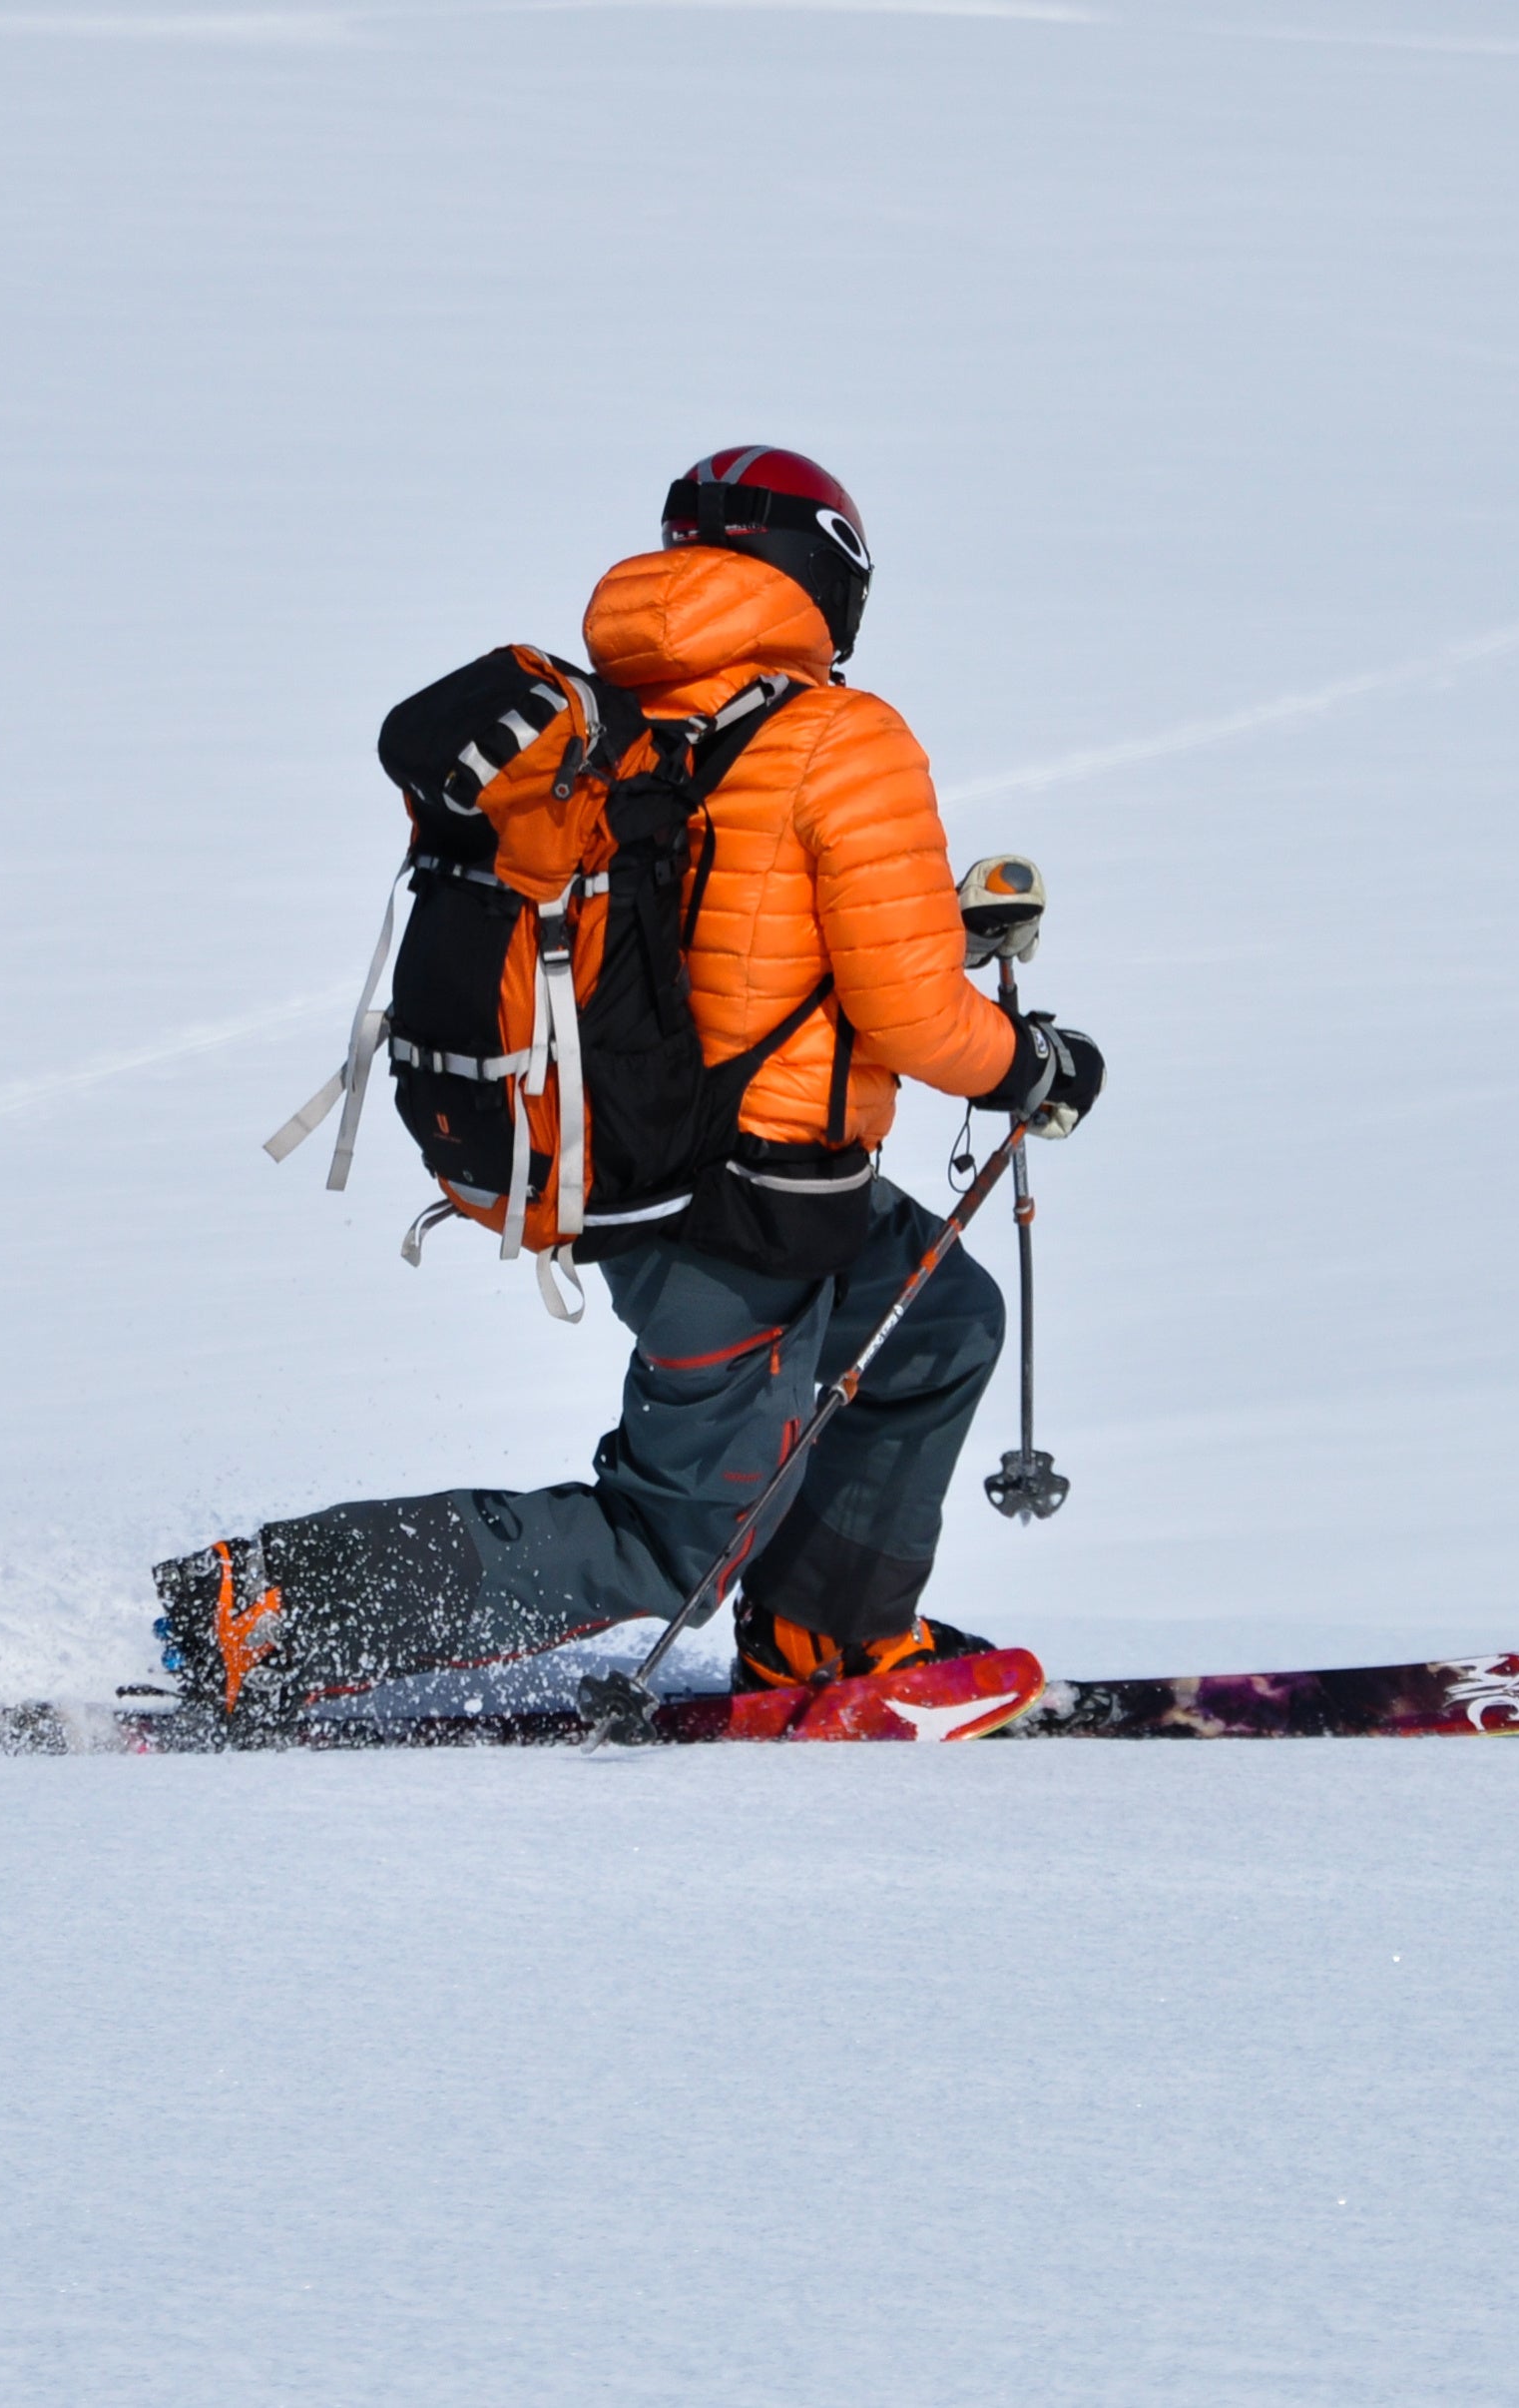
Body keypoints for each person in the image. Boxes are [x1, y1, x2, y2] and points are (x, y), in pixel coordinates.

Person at [156, 447, 1106, 1729]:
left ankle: (829, 1638)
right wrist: (1034, 1067)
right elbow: (905, 1016)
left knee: (938, 1324)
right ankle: (269, 1606)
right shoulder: (837, 732)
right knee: (668, 1538)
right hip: (743, 1206)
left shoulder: (614, 721)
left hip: (654, 1165)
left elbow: (732, 935)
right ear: (831, 575)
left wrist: (931, 929)